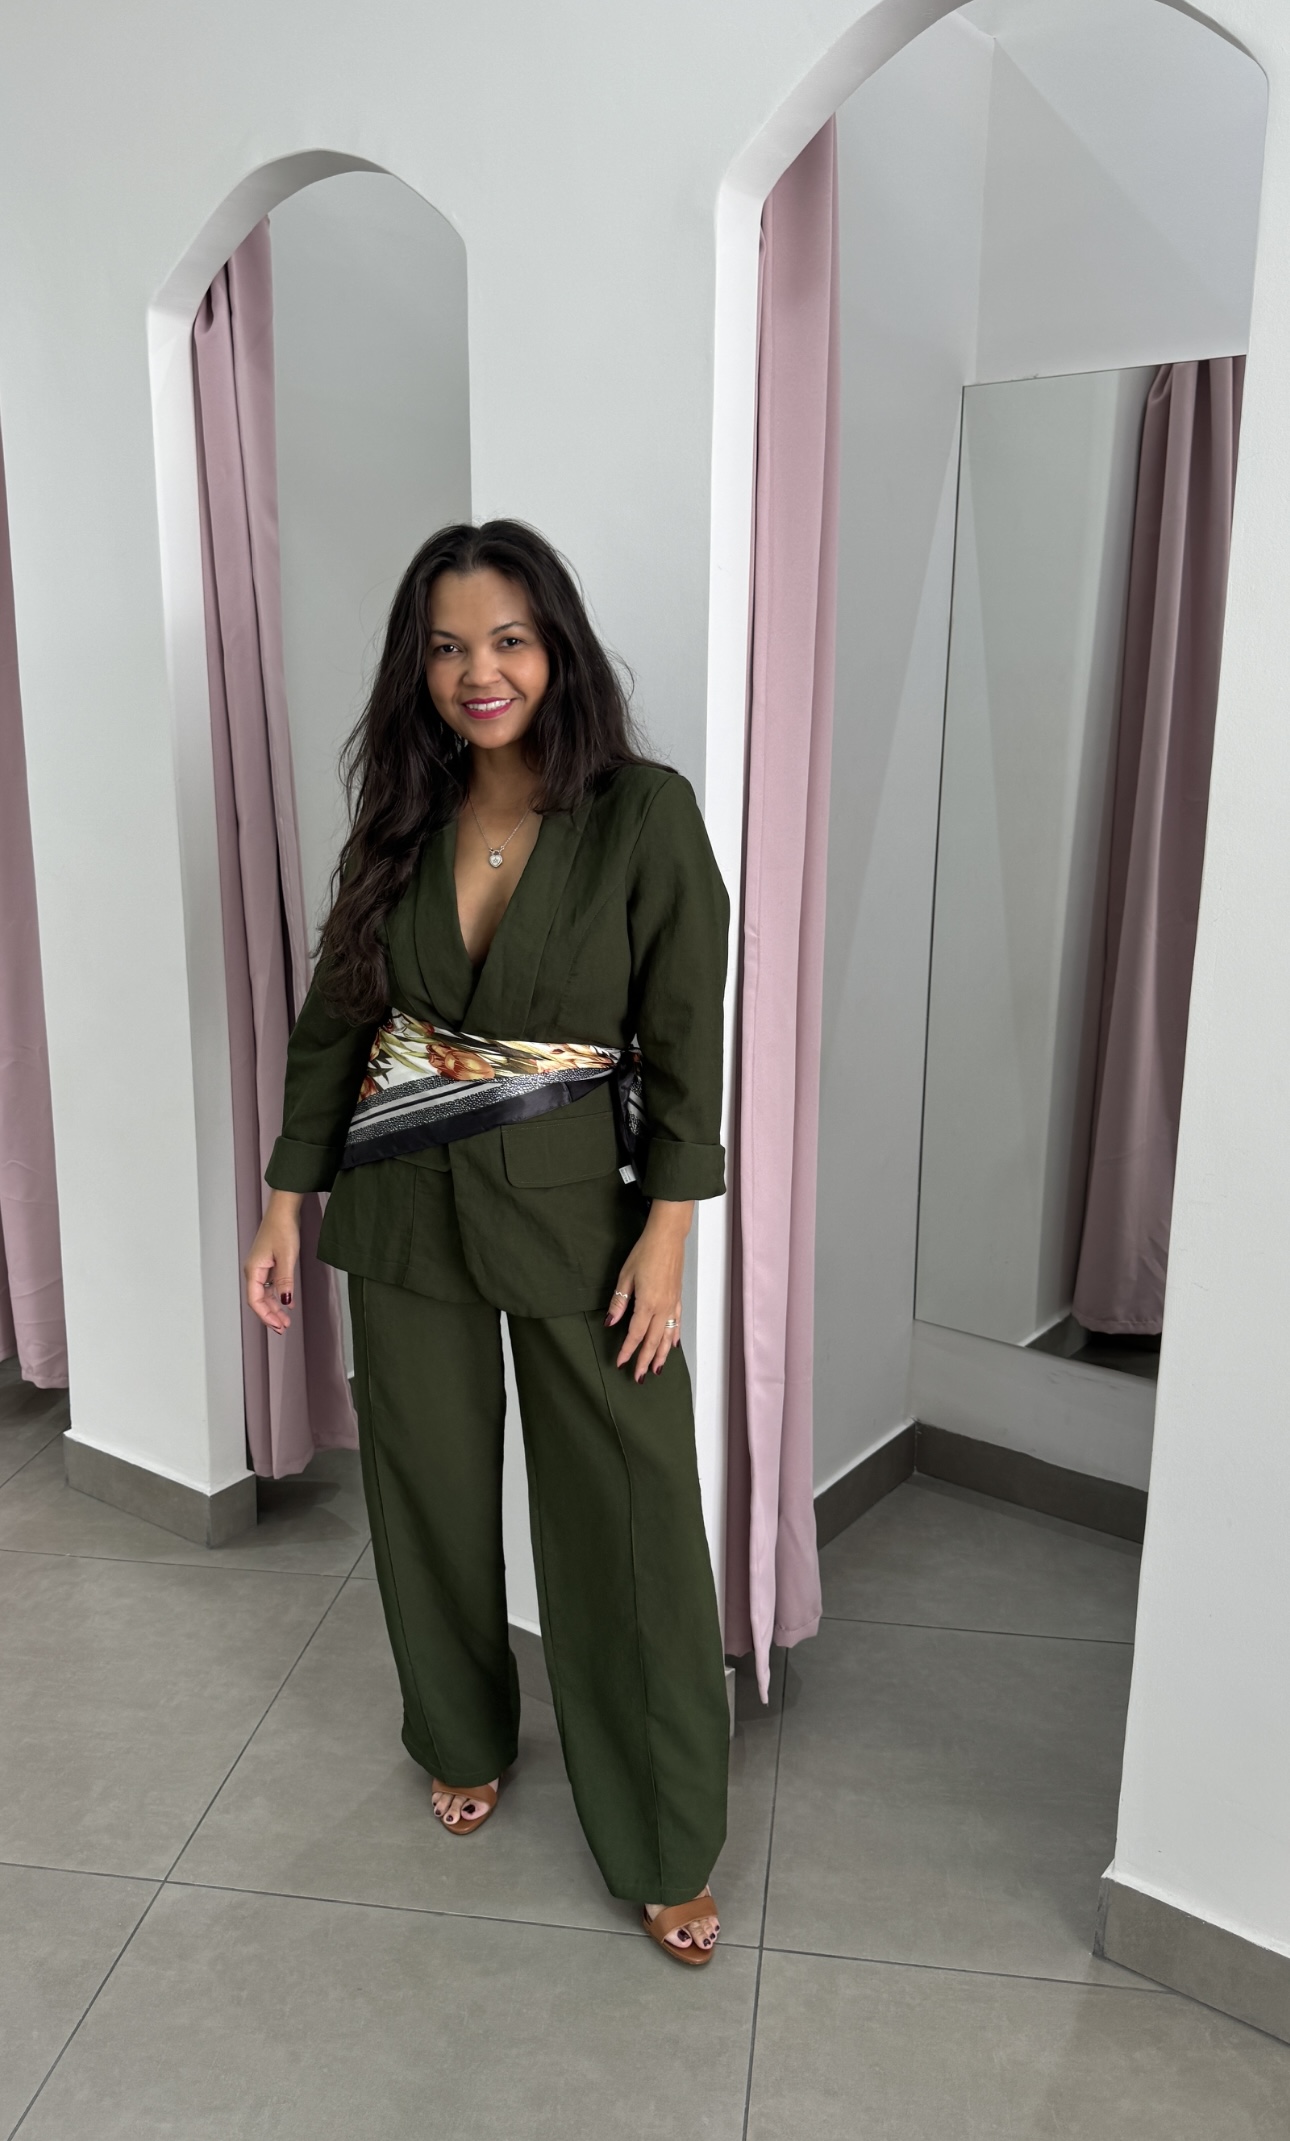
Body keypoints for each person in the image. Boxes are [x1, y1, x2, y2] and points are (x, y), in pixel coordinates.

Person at [243, 521, 731, 1965]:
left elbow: (685, 1042)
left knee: (627, 1519)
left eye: (508, 640)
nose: (480, 672)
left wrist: (668, 1235)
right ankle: (460, 1733)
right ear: (420, 668)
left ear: (555, 648)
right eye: (449, 647)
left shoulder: (642, 814)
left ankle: (663, 1836)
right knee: (427, 1495)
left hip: (582, 1221)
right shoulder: (397, 822)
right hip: (401, 1206)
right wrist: (285, 1200)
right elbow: (337, 1024)